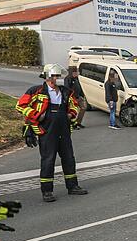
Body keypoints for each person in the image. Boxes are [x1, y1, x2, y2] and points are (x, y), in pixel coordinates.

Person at [16, 64, 88, 203]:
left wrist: (71, 114)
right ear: (47, 77)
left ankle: (73, 186)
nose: (56, 79)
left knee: (69, 158)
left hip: (64, 129)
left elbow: (74, 105)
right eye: (54, 76)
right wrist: (36, 115)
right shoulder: (35, 91)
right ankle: (47, 191)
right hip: (47, 130)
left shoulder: (65, 91)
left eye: (57, 76)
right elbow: (20, 105)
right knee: (48, 160)